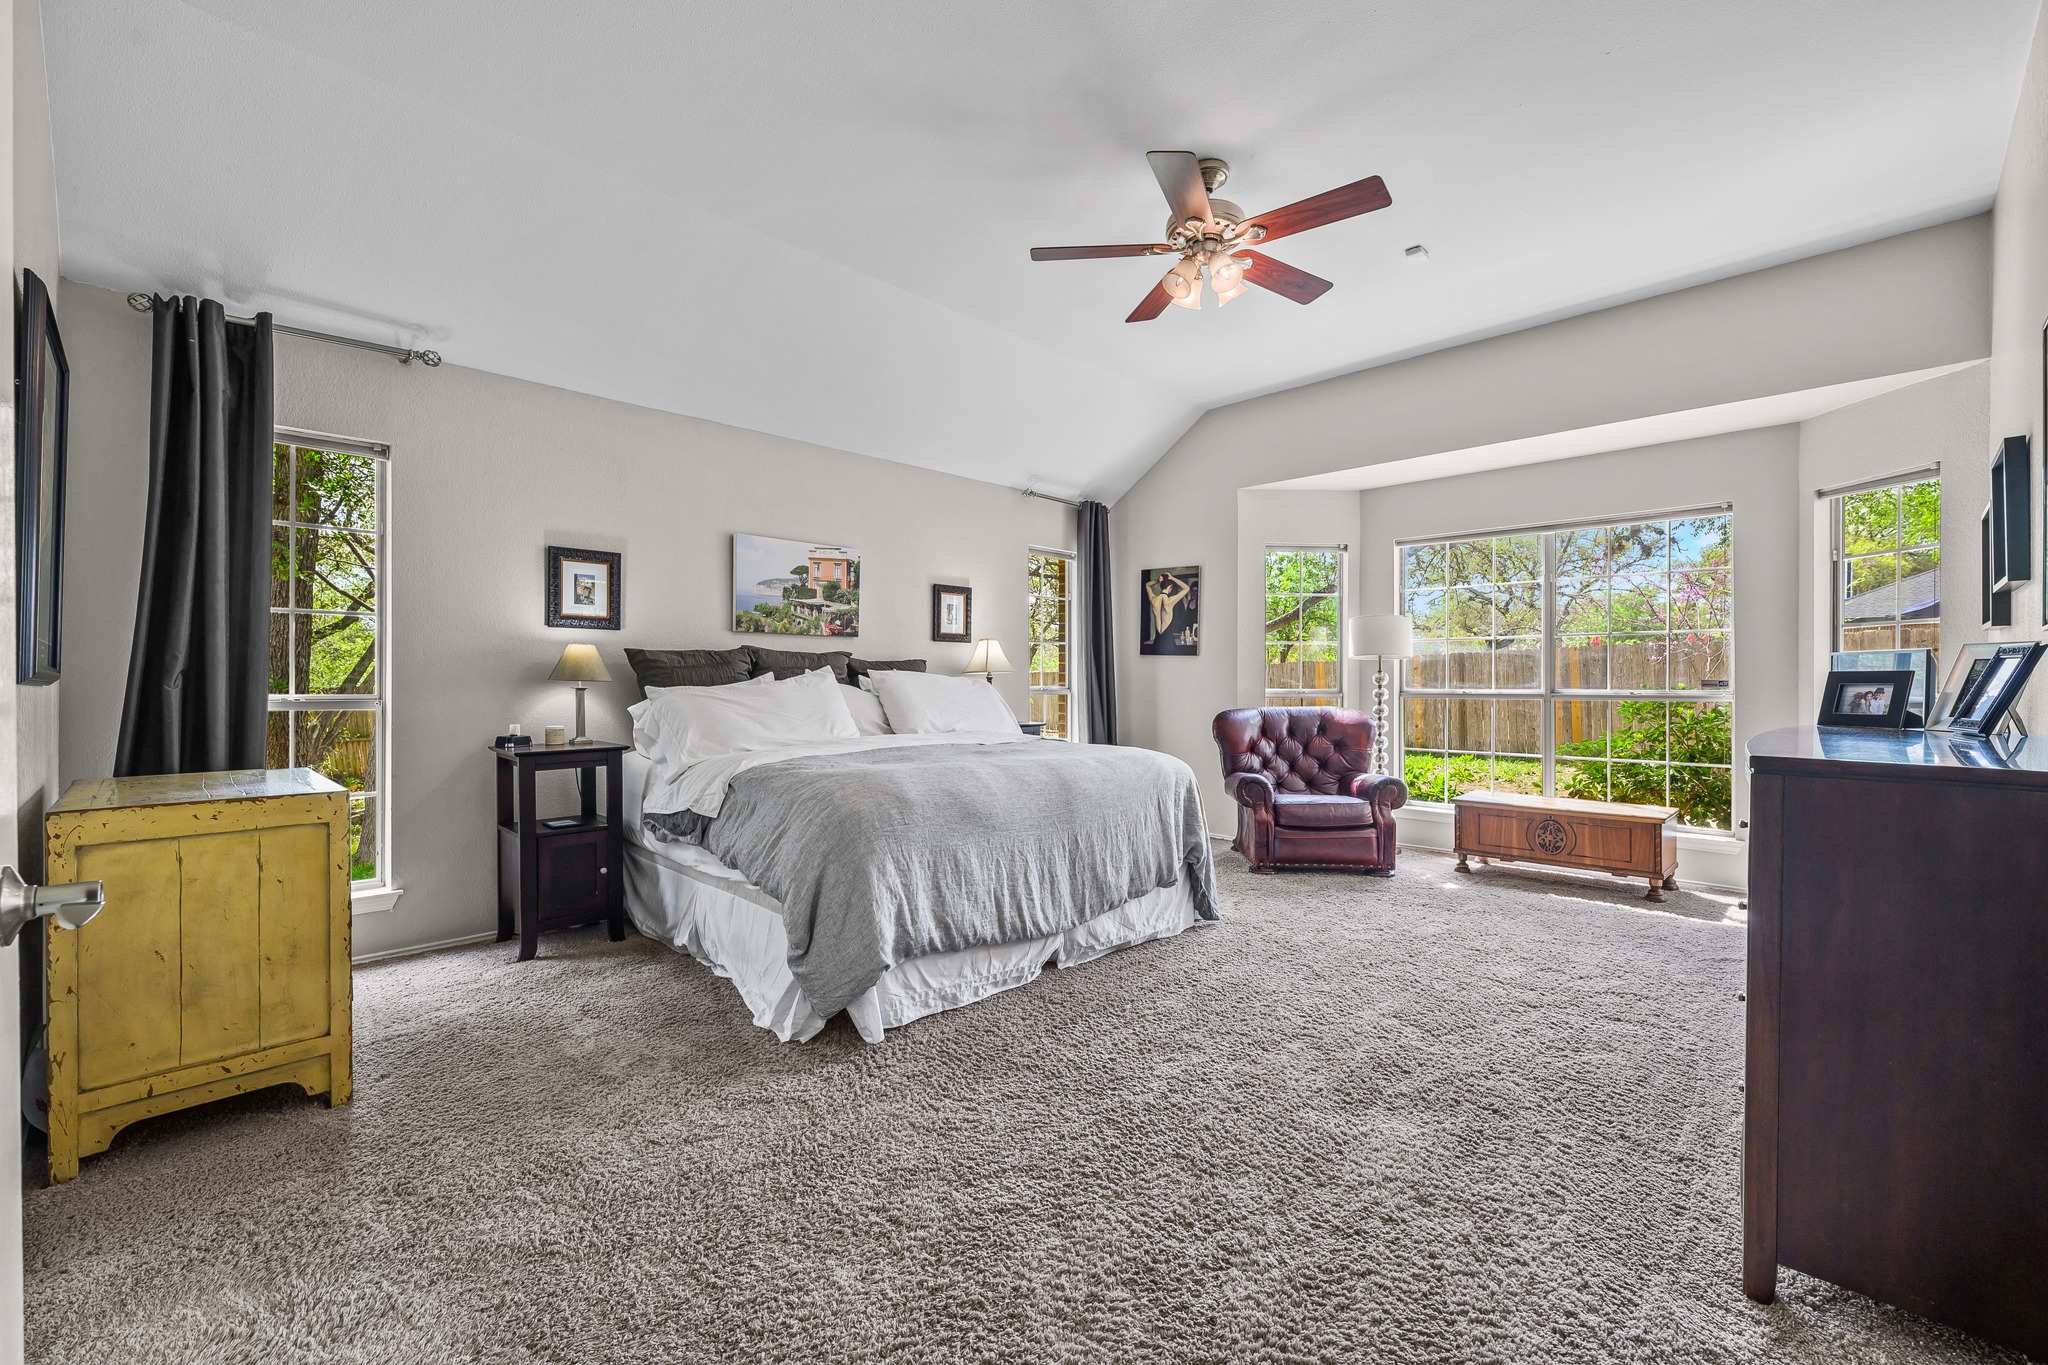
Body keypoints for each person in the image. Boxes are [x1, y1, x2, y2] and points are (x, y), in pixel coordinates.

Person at [1146, 571, 1192, 640]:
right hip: (1169, 642)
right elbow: (1187, 588)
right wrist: (1172, 578)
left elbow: (1147, 585)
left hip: (1157, 642)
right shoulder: (1170, 601)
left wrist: (1158, 580)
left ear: (1160, 587)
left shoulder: (1154, 600)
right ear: (1170, 587)